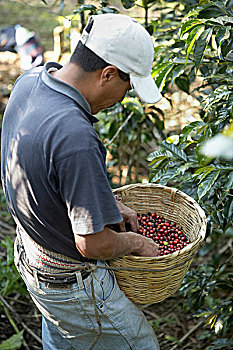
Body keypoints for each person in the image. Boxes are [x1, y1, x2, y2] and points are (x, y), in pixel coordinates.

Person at [1, 13, 162, 350]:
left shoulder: (30, 82)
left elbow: (45, 172)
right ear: (108, 75)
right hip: (73, 286)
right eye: (126, 87)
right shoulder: (76, 136)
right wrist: (137, 243)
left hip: (35, 258)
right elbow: (94, 245)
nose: (123, 98)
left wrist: (108, 202)